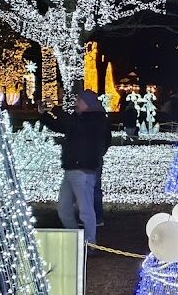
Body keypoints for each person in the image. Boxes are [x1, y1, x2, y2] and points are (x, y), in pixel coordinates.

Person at [39, 90, 111, 244]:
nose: (76, 103)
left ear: (88, 103)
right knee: (63, 209)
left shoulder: (95, 120)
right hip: (71, 168)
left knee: (85, 210)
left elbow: (68, 123)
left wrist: (55, 109)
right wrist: (44, 115)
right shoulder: (79, 119)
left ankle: (90, 243)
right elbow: (60, 125)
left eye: (79, 100)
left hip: (83, 170)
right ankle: (75, 239)